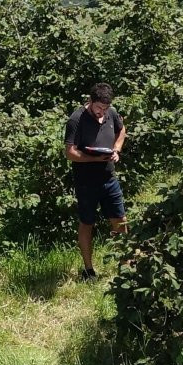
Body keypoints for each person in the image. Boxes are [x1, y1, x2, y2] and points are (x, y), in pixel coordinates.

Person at [64, 82, 127, 281]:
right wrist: (93, 158)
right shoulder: (76, 119)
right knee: (87, 223)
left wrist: (116, 150)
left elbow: (121, 130)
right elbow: (70, 153)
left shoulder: (112, 113)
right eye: (99, 108)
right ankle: (88, 270)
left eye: (105, 108)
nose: (102, 112)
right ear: (90, 102)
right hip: (86, 181)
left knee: (120, 220)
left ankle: (125, 266)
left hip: (109, 178)